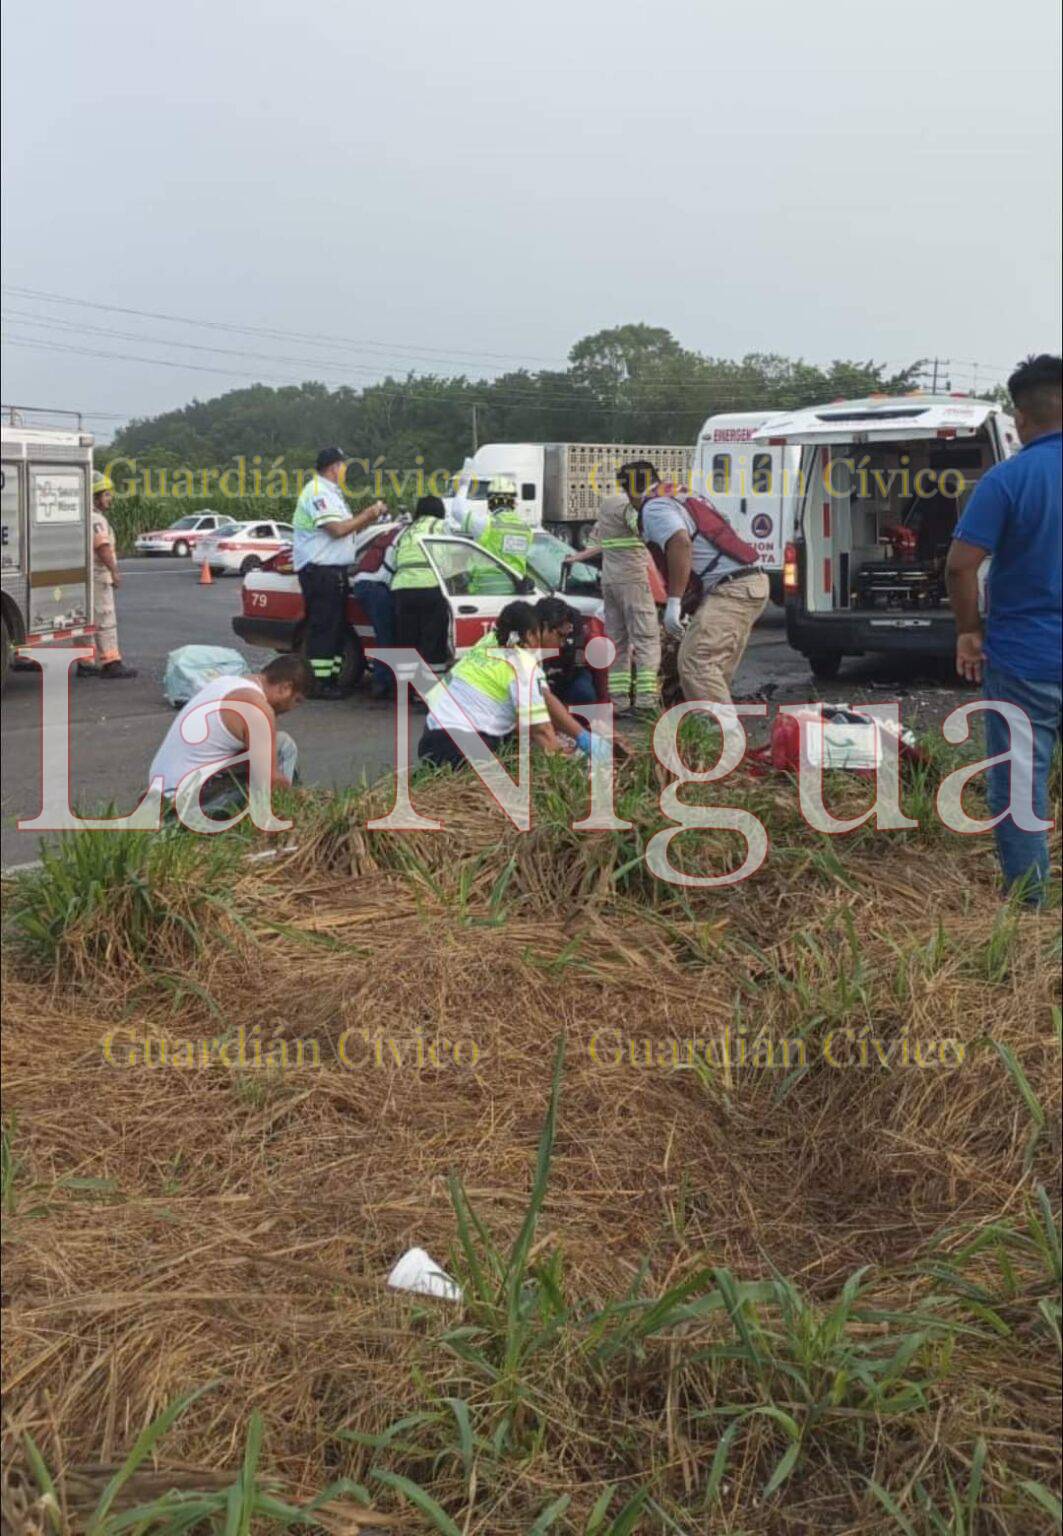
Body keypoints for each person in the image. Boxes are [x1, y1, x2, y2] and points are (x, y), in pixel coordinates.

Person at [947, 353, 1062, 904]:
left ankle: (1031, 911)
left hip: (1024, 660)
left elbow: (960, 563)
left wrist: (969, 630)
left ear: (1022, 416)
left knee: (1019, 787)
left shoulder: (1008, 479)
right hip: (1029, 657)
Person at [618, 459, 769, 707]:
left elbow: (680, 542)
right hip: (748, 582)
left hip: (731, 588)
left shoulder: (654, 508)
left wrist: (674, 603)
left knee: (697, 663)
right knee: (712, 672)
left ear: (630, 492)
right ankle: (710, 732)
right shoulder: (681, 495)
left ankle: (722, 737)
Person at [417, 600, 598, 769]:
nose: (561, 644)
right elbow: (540, 730)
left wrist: (578, 736)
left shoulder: (491, 641)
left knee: (513, 734)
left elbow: (543, 699)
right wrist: (571, 760)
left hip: (431, 736)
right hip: (460, 747)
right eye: (560, 635)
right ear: (536, 630)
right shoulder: (523, 664)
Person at [149, 653, 312, 820]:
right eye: (296, 700)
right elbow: (269, 781)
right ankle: (278, 816)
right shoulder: (257, 708)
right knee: (284, 748)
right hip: (184, 800)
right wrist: (295, 797)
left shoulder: (228, 683)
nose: (292, 708)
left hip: (163, 787)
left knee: (278, 742)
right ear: (285, 688)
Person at [292, 447, 387, 700]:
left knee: (334, 628)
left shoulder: (332, 493)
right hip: (320, 572)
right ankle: (318, 684)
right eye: (343, 465)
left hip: (333, 572)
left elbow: (347, 529)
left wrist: (369, 519)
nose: (344, 470)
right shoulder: (317, 493)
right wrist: (368, 513)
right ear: (334, 467)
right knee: (324, 628)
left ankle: (331, 680)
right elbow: (336, 529)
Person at [567, 492, 659, 714]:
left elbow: (595, 543)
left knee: (618, 643)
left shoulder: (606, 507)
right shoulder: (631, 509)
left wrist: (575, 558)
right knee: (646, 640)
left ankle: (618, 702)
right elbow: (645, 533)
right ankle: (646, 702)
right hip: (633, 580)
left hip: (610, 582)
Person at [81, 472, 137, 679]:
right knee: (104, 617)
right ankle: (111, 662)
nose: (109, 499)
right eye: (106, 495)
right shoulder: (97, 519)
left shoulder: (80, 515)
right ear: (95, 497)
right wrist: (114, 571)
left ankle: (85, 662)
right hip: (98, 576)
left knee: (85, 619)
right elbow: (102, 547)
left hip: (84, 577)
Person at [391, 495, 451, 670]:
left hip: (402, 590)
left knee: (407, 643)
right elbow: (447, 559)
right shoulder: (439, 526)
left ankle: (406, 693)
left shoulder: (407, 530)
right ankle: (429, 693)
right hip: (429, 587)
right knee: (433, 641)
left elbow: (395, 559)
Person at [450, 477, 533, 593]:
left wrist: (464, 486)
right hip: (515, 591)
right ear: (513, 502)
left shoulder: (486, 524)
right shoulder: (526, 528)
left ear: (490, 502)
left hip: (486, 590)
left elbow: (457, 511)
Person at [350, 521, 402, 700]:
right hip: (375, 587)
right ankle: (381, 683)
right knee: (386, 635)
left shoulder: (391, 534)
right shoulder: (404, 538)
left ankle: (384, 681)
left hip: (364, 584)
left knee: (385, 633)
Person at [533, 595, 598, 707]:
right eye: (560, 636)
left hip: (569, 673)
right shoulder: (525, 648)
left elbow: (577, 661)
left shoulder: (574, 622)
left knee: (583, 692)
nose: (562, 643)